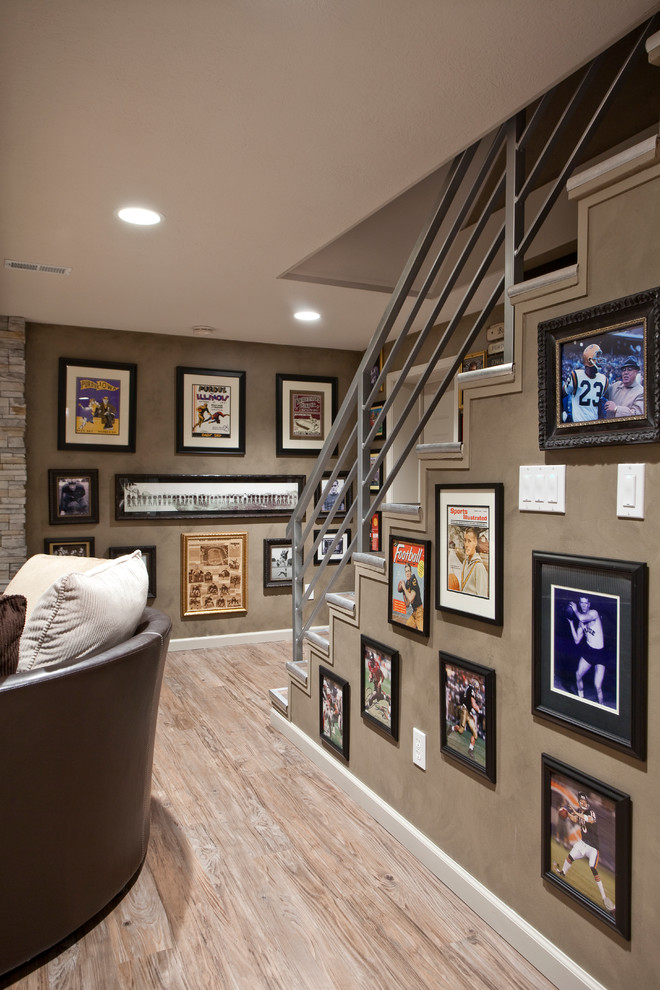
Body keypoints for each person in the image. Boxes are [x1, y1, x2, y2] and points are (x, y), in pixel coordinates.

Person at [552, 791, 614, 911]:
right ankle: (563, 873)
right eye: (581, 801)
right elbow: (575, 819)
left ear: (586, 801)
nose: (583, 802)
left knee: (592, 867)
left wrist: (576, 813)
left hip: (593, 847)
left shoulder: (591, 812)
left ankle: (604, 897)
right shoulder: (579, 811)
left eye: (584, 801)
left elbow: (590, 820)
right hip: (583, 842)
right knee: (570, 857)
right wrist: (567, 814)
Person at [566, 596, 612, 707]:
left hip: (600, 654)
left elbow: (582, 618)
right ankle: (581, 698)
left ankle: (601, 708)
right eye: (581, 603)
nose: (583, 605)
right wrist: (571, 623)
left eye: (586, 603)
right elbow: (577, 640)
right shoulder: (580, 621)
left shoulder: (594, 613)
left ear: (589, 604)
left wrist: (575, 610)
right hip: (589, 652)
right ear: (579, 603)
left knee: (597, 686)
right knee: (578, 674)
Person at [563, 343, 607, 422]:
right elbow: (561, 394)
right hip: (577, 423)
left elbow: (600, 402)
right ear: (589, 359)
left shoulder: (604, 379)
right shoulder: (576, 376)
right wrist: (562, 412)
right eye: (597, 356)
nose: (600, 359)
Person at [450, 673, 480, 758]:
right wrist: (479, 710)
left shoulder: (470, 688)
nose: (477, 691)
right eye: (476, 689)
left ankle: (470, 749)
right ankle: (452, 728)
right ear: (474, 687)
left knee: (475, 734)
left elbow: (471, 704)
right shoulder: (471, 689)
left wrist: (472, 712)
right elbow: (473, 704)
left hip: (469, 712)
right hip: (464, 710)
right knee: (460, 731)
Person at [459, 527, 488, 597]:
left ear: (475, 543)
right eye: (465, 540)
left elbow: (482, 595)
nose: (466, 545)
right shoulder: (465, 562)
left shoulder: (479, 567)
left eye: (469, 541)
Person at [398, 562, 424, 630]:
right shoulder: (407, 583)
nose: (407, 573)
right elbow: (407, 604)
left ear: (411, 572)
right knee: (406, 628)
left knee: (422, 631)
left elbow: (411, 598)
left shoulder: (413, 579)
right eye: (406, 571)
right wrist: (403, 593)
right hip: (414, 613)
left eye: (408, 571)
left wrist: (404, 588)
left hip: (419, 612)